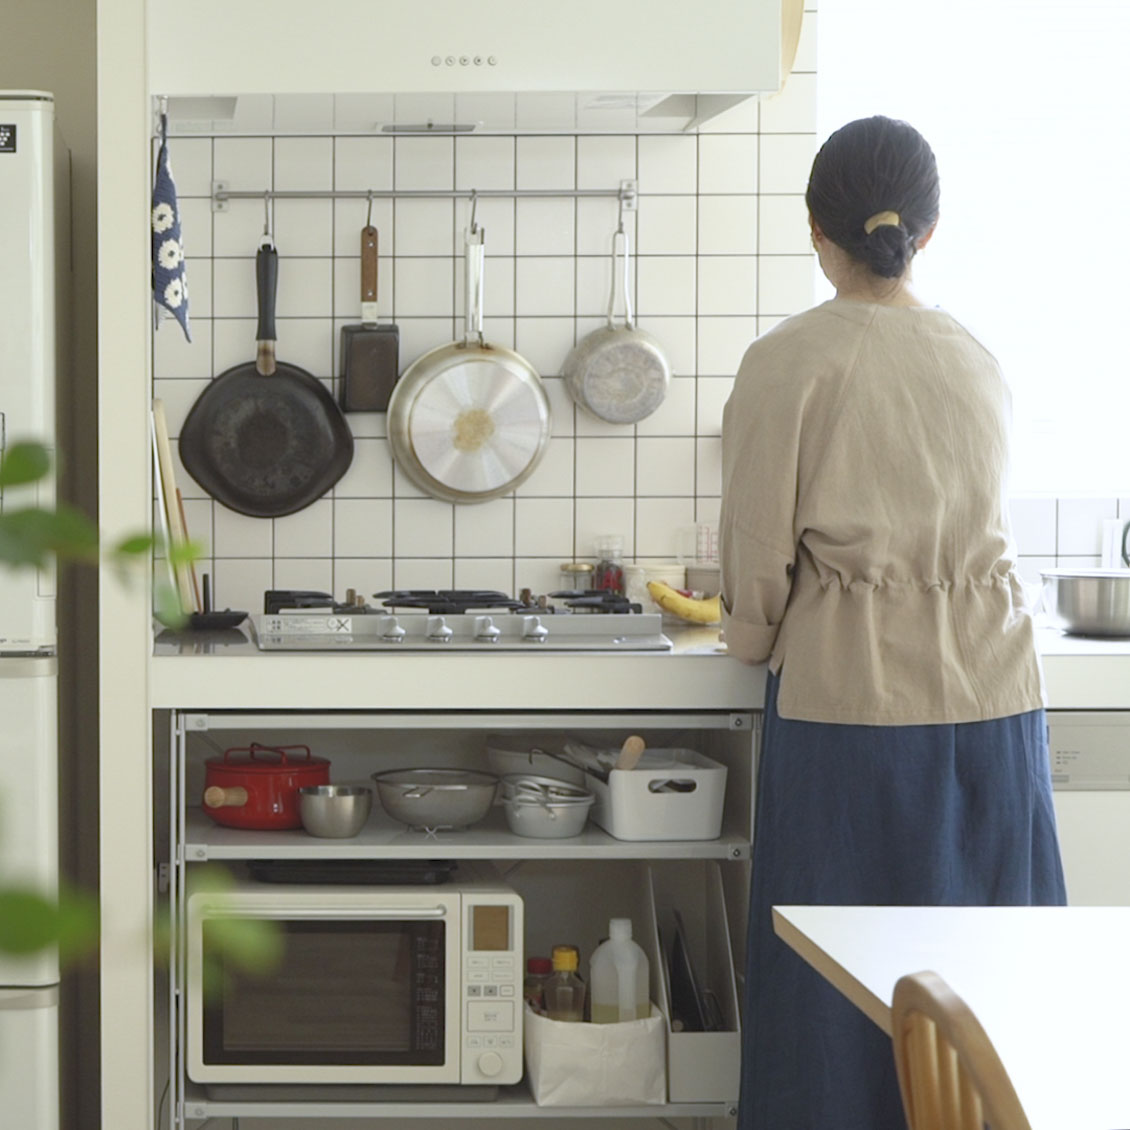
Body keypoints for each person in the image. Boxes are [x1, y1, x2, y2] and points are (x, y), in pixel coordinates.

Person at [719, 115, 1066, 1130]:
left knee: (831, 998)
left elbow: (755, 555)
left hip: (846, 707)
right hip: (990, 703)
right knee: (980, 998)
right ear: (927, 230)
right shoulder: (975, 356)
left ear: (814, 232)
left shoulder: (787, 359)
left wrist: (749, 638)